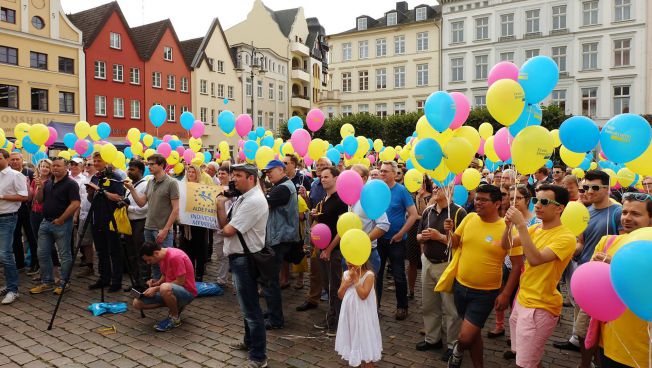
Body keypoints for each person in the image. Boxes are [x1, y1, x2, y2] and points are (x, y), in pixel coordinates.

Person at [447, 184, 524, 368]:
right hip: (460, 286)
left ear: (497, 203)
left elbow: (517, 266)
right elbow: (456, 243)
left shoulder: (508, 230)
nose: (478, 203)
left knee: (465, 337)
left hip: (486, 293)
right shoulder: (469, 218)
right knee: (474, 333)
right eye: (477, 199)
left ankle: (458, 351)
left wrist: (505, 294)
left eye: (483, 200)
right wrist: (449, 231)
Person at [503, 184, 576, 368]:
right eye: (536, 200)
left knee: (525, 363)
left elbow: (536, 259)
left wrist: (520, 225)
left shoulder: (566, 237)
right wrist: (508, 226)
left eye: (544, 201)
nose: (537, 205)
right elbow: (506, 245)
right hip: (523, 299)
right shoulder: (536, 229)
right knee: (527, 357)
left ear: (559, 208)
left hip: (540, 306)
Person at [554, 170, 622, 360]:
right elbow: (581, 242)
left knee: (595, 328)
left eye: (594, 187)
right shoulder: (586, 211)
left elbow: (625, 242)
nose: (589, 191)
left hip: (606, 277)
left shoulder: (617, 212)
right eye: (585, 187)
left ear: (607, 189)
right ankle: (585, 356)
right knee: (584, 325)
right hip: (584, 271)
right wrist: (565, 250)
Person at [215, 164, 269, 368]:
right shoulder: (244, 197)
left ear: (251, 178)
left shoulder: (253, 201)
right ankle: (249, 342)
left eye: (238, 176)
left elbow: (228, 230)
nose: (233, 179)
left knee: (252, 310)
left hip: (245, 259)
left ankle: (259, 356)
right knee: (247, 305)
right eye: (233, 175)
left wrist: (220, 204)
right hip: (240, 258)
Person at [591, 192, 651, 368]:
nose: (627, 218)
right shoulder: (607, 242)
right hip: (609, 340)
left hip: (642, 349)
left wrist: (616, 265)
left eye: (636, 214)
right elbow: (591, 282)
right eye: (625, 212)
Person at [416, 183, 466, 361]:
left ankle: (453, 345)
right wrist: (423, 237)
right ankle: (432, 338)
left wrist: (441, 237)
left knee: (451, 308)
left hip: (447, 264)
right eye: (435, 187)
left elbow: (462, 244)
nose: (435, 190)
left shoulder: (459, 213)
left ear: (450, 191)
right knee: (429, 304)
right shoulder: (428, 211)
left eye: (440, 187)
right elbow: (418, 235)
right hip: (428, 262)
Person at [489, 184, 539, 339]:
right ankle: (499, 325)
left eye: (518, 198)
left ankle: (515, 336)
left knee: (516, 302)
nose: (514, 201)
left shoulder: (535, 221)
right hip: (506, 263)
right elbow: (503, 240)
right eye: (511, 198)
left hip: (525, 267)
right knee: (502, 294)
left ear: (528, 200)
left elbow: (532, 245)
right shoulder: (507, 218)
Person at [29, 157, 80, 295]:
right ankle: (47, 282)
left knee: (64, 254)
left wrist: (62, 219)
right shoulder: (49, 182)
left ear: (66, 167)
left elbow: (75, 203)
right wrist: (39, 187)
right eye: (54, 166)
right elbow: (40, 200)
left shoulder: (71, 184)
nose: (55, 168)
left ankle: (64, 283)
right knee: (42, 253)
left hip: (62, 223)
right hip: (46, 222)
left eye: (58, 166)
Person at [125, 154, 179, 280]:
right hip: (148, 227)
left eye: (152, 164)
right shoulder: (150, 182)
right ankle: (156, 287)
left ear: (161, 165)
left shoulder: (171, 183)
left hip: (162, 229)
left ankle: (167, 289)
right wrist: (132, 189)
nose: (149, 166)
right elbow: (141, 202)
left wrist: (166, 229)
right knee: (153, 262)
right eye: (148, 164)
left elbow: (176, 209)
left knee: (166, 262)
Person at [261, 159, 300, 330]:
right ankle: (272, 311)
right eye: (266, 171)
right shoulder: (282, 186)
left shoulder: (284, 188)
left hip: (279, 239)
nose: (268, 174)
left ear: (282, 170)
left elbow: (263, 203)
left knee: (271, 280)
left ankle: (276, 319)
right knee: (270, 279)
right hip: (279, 237)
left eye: (271, 171)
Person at [377, 160, 418, 320]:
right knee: (377, 275)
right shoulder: (377, 190)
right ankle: (375, 306)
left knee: (398, 274)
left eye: (386, 171)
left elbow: (413, 214)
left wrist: (401, 233)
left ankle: (402, 307)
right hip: (379, 238)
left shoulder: (401, 191)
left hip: (397, 240)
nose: (382, 174)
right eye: (381, 171)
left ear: (394, 173)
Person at [312, 166, 349, 335]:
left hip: (333, 250)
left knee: (335, 286)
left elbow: (342, 229)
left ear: (336, 178)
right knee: (327, 285)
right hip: (321, 248)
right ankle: (331, 316)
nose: (322, 179)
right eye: (321, 177)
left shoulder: (341, 200)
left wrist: (329, 249)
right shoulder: (324, 199)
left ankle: (337, 322)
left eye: (326, 176)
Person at [133, 241, 197, 332]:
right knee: (137, 303)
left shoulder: (175, 257)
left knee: (164, 288)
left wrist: (156, 288)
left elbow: (180, 281)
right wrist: (156, 283)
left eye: (149, 260)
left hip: (187, 292)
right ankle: (175, 305)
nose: (148, 263)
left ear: (156, 253)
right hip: (170, 289)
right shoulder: (161, 257)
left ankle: (175, 318)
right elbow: (165, 275)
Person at [86, 152, 126, 292]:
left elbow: (119, 197)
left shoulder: (115, 177)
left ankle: (116, 281)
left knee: (114, 251)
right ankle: (104, 278)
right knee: (101, 251)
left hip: (111, 219)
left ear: (107, 161)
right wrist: (91, 192)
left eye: (99, 161)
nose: (96, 163)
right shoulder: (95, 177)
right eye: (94, 161)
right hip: (97, 219)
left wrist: (102, 191)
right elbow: (92, 199)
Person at [296, 157, 331, 312]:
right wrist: (305, 199)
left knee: (332, 268)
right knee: (315, 266)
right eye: (318, 166)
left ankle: (333, 300)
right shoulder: (315, 184)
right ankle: (313, 298)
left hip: (333, 232)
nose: (320, 168)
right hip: (317, 231)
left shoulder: (337, 185)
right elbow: (312, 207)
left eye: (324, 166)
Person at [335, 261, 382, 367]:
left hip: (364, 316)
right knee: (354, 337)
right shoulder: (346, 274)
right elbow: (340, 295)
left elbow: (363, 295)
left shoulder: (369, 275)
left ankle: (368, 362)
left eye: (352, 263)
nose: (349, 264)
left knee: (365, 338)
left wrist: (356, 280)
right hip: (350, 316)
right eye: (348, 262)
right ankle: (356, 360)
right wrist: (346, 284)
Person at [0, 149, 29, 304]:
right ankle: (8, 285)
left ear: (7, 159)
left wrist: (2, 196)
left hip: (8, 218)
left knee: (5, 254)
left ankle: (13, 289)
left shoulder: (16, 175)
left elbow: (24, 196)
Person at [350, 164, 389, 274]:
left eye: (354, 176)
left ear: (365, 178)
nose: (350, 179)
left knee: (368, 289)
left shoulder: (370, 197)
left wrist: (364, 240)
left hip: (367, 253)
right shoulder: (350, 195)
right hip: (350, 250)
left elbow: (384, 224)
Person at [121, 160, 149, 289]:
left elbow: (145, 208)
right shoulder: (129, 185)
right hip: (129, 223)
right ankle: (136, 282)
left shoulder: (145, 185)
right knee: (131, 254)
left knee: (140, 254)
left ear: (140, 171)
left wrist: (129, 208)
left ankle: (143, 283)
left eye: (132, 169)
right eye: (129, 169)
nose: (129, 171)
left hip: (140, 222)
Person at [179, 165, 209, 281]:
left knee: (199, 249)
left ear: (197, 174)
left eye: (193, 172)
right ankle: (190, 273)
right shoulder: (182, 186)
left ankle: (199, 274)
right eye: (189, 172)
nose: (190, 174)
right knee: (187, 249)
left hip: (198, 224)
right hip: (186, 224)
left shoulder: (202, 187)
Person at [406, 175, 432, 299]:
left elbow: (425, 214)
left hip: (427, 229)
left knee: (426, 259)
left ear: (425, 182)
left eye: (420, 181)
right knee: (412, 262)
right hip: (412, 230)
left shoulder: (431, 196)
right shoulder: (410, 195)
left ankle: (428, 292)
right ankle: (410, 289)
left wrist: (420, 198)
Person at [9, 152, 35, 274]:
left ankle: (34, 263)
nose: (15, 161)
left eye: (17, 159)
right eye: (12, 159)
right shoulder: (7, 174)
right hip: (13, 209)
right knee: (15, 237)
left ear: (21, 160)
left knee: (31, 236)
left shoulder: (29, 173)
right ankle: (19, 264)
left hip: (28, 209)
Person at [29, 159, 53, 281]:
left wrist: (41, 187)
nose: (44, 168)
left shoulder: (51, 182)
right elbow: (30, 197)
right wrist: (28, 185)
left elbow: (44, 200)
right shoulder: (35, 181)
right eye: (42, 166)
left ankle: (49, 270)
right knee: (38, 242)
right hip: (34, 213)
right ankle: (41, 268)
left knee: (46, 244)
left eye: (47, 167)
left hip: (45, 214)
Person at [75, 159, 96, 277]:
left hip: (96, 214)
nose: (86, 166)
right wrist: (76, 214)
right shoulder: (84, 179)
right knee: (85, 241)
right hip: (84, 213)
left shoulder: (98, 179)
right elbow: (79, 198)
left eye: (89, 164)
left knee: (97, 242)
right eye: (85, 164)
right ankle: (89, 266)